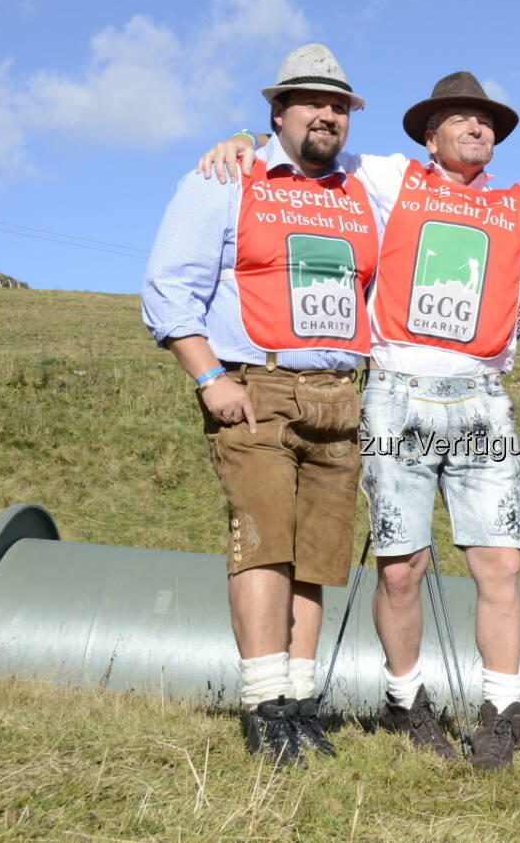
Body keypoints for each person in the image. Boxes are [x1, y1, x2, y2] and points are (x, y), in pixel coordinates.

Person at [195, 76, 520, 770]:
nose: (477, 130)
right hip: (398, 395)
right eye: (461, 119)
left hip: (481, 397)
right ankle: (405, 699)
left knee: (499, 564)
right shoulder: (388, 178)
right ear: (430, 134)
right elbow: (306, 149)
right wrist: (244, 139)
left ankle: (503, 710)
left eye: (487, 123)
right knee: (402, 569)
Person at [143, 44, 375, 764]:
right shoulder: (224, 176)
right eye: (311, 102)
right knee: (265, 542)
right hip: (258, 388)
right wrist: (210, 377)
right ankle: (264, 704)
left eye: (338, 105)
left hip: (338, 397)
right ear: (277, 111)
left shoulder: (362, 186)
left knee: (317, 557)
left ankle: (300, 703)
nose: (327, 114)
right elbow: (168, 287)